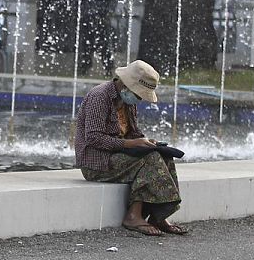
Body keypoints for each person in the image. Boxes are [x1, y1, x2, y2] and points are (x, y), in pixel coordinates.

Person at [73, 60, 187, 236]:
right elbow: (93, 138)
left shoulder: (128, 100)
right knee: (150, 159)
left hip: (118, 157)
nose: (139, 99)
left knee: (163, 156)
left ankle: (159, 215)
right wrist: (129, 144)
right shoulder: (99, 97)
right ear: (126, 84)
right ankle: (133, 216)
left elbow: (133, 132)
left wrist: (145, 141)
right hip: (97, 163)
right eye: (139, 94)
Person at [79, 0, 117, 76]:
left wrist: (107, 14)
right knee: (86, 45)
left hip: (101, 18)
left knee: (104, 44)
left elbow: (112, 0)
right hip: (87, 17)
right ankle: (84, 67)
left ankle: (108, 68)